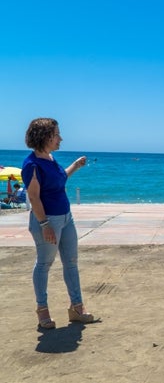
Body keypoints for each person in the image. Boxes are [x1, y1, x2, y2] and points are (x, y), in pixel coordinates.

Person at [21, 117, 95, 329]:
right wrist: (44, 225)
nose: (60, 138)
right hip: (47, 220)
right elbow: (34, 197)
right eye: (56, 135)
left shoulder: (51, 159)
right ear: (45, 137)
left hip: (65, 217)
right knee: (44, 264)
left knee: (71, 262)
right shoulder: (32, 164)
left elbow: (60, 179)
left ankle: (77, 308)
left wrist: (75, 166)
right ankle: (42, 310)